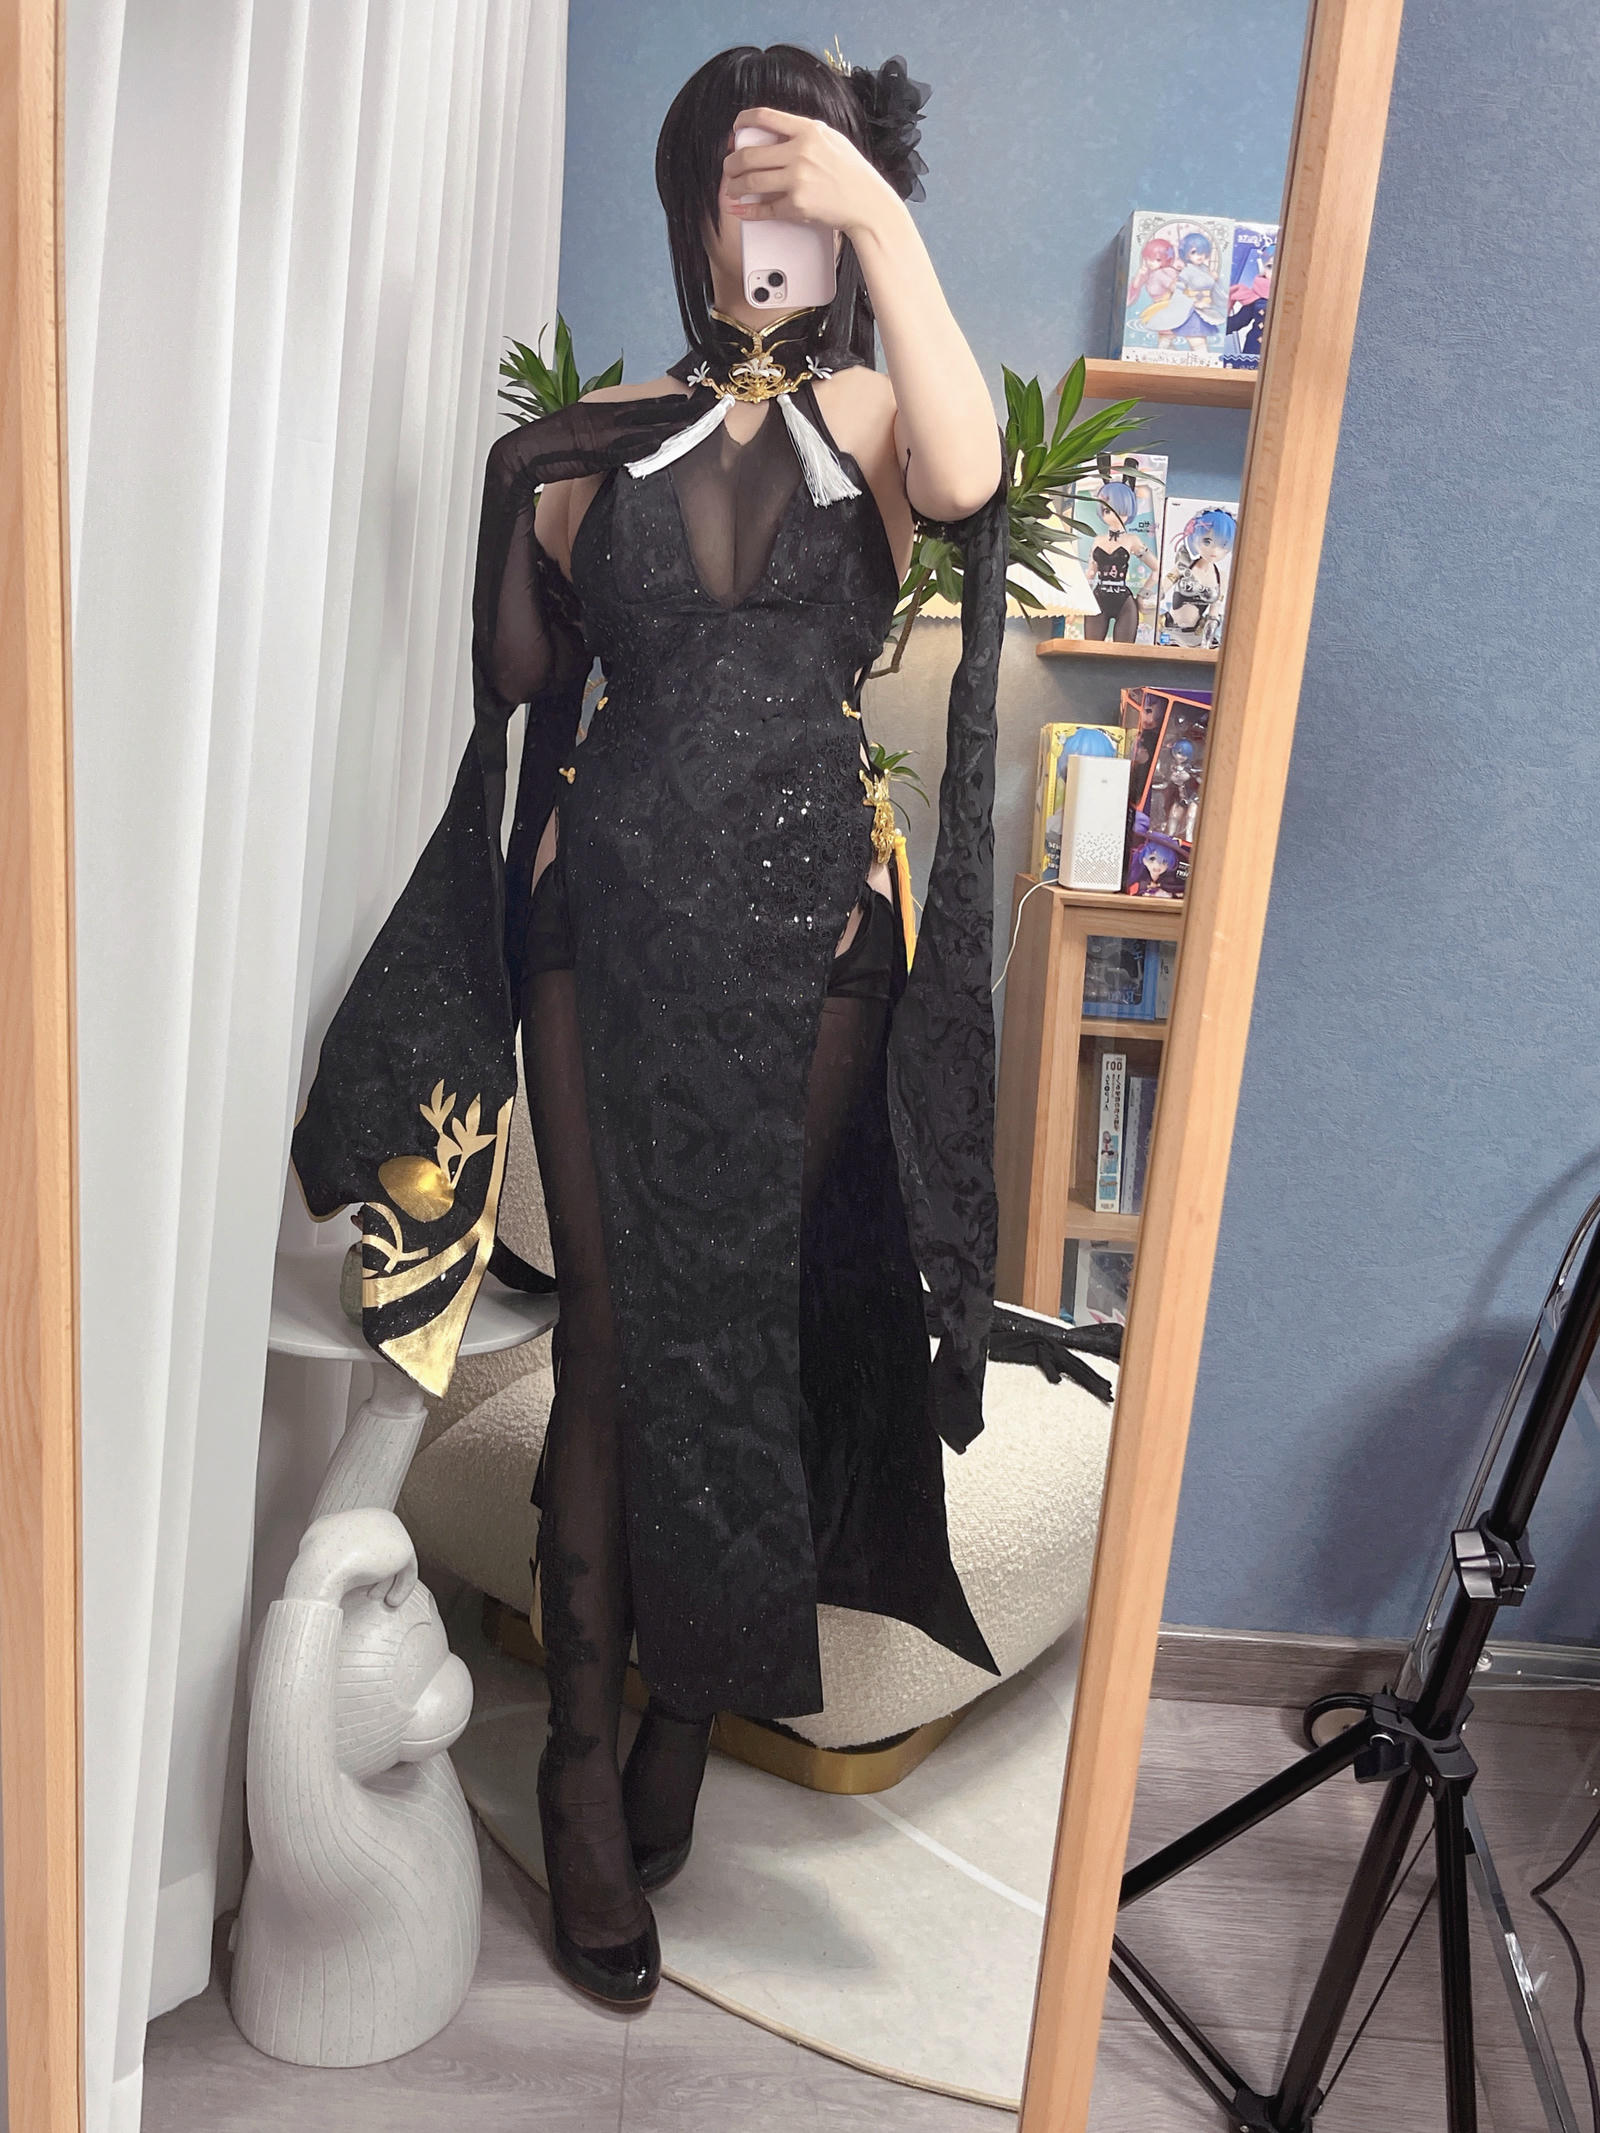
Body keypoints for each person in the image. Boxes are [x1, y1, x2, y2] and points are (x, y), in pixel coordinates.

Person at [290, 40, 1009, 2012]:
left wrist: (876, 218)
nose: (759, 229)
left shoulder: (880, 410)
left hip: (814, 938)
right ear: (684, 213)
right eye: (731, 190)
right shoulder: (590, 447)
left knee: (743, 1318)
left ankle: (689, 1703)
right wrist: (522, 502)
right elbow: (521, 688)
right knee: (613, 1339)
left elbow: (969, 477)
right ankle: (580, 1767)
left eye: (798, 194)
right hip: (598, 931)